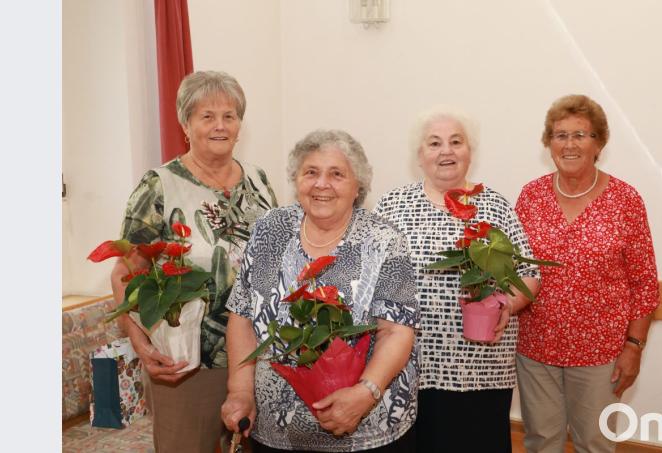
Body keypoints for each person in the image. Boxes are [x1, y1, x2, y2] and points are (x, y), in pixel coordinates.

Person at [109, 70, 278, 452]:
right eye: (207, 116)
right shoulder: (158, 186)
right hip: (189, 365)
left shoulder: (259, 180)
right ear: (186, 124)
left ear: (240, 124)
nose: (220, 126)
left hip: (259, 357)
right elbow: (123, 272)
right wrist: (141, 344)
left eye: (229, 116)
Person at [221, 130, 420, 452]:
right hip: (276, 426)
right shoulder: (269, 229)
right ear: (296, 179)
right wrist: (240, 391)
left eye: (337, 174)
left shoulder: (384, 240)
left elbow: (397, 330)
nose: (321, 184)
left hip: (367, 424)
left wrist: (366, 393)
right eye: (311, 172)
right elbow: (242, 315)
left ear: (358, 186)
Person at [373, 107, 540, 453]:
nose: (445, 151)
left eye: (456, 142)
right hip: (409, 363)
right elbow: (368, 276)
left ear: (470, 152)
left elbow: (529, 273)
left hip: (482, 367)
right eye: (434, 143)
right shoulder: (393, 205)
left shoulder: (495, 206)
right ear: (420, 156)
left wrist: (508, 303)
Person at [514, 94, 660, 452]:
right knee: (540, 441)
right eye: (560, 135)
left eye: (581, 135)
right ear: (549, 143)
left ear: (599, 143)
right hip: (536, 348)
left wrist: (634, 348)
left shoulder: (625, 200)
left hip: (600, 353)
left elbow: (644, 284)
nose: (570, 144)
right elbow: (513, 268)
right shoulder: (530, 196)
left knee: (594, 442)